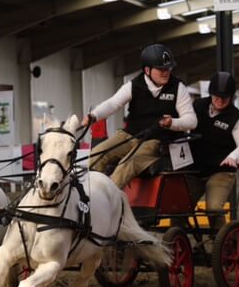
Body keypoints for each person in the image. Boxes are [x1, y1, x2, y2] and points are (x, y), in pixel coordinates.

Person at [82, 44, 196, 188]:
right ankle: (86, 193)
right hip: (129, 136)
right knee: (96, 155)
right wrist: (94, 115)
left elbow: (192, 121)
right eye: (161, 69)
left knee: (127, 165)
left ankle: (109, 200)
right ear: (147, 70)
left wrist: (172, 122)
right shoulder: (133, 85)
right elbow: (113, 104)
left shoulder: (178, 88)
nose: (166, 72)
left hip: (156, 142)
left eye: (168, 68)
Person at [188, 71, 239, 233]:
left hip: (221, 171)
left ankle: (223, 246)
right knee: (177, 206)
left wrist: (233, 157)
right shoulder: (197, 106)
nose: (220, 100)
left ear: (231, 97)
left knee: (214, 208)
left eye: (225, 97)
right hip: (195, 169)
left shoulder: (235, 118)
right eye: (216, 96)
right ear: (211, 94)